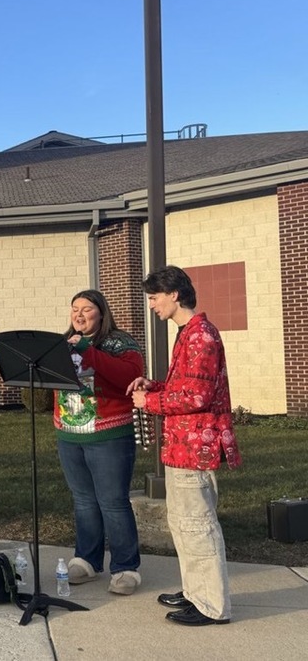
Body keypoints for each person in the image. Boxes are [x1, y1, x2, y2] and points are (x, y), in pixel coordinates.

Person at [128, 265, 241, 626]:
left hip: (196, 447)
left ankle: (211, 605)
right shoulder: (188, 333)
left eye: (154, 297)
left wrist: (151, 403)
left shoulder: (201, 336)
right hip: (182, 446)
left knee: (198, 525)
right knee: (183, 523)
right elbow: (186, 386)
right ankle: (195, 592)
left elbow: (197, 395)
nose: (152, 305)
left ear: (174, 294)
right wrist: (156, 386)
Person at [55, 290, 145, 595]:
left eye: (87, 310)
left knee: (113, 502)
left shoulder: (119, 342)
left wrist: (87, 350)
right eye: (74, 309)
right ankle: (88, 559)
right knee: (83, 500)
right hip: (70, 432)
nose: (79, 315)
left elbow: (129, 376)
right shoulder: (63, 342)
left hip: (108, 434)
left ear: (102, 313)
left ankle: (125, 567)